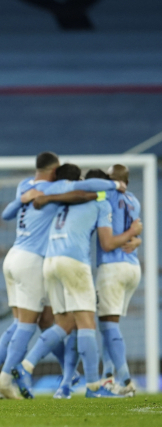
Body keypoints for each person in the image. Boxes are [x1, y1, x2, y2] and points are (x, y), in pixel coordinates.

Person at [0, 153, 112, 399]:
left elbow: (7, 214)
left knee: (39, 321)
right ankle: (7, 375)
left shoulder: (25, 185)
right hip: (33, 260)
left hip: (14, 255)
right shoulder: (59, 186)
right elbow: (93, 189)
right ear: (55, 170)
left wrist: (24, 200)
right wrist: (111, 187)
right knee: (29, 323)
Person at [12, 165, 142, 399]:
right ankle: (94, 387)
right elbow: (107, 242)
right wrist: (134, 234)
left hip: (50, 262)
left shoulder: (66, 200)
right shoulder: (101, 202)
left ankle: (27, 367)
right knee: (86, 325)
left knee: (64, 324)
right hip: (74, 262)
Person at [94, 165, 141, 397]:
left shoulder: (106, 195)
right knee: (108, 326)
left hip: (112, 266)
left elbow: (93, 189)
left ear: (112, 181)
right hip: (132, 266)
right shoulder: (134, 200)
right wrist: (137, 239)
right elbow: (136, 230)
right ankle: (107, 378)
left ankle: (126, 381)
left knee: (108, 326)